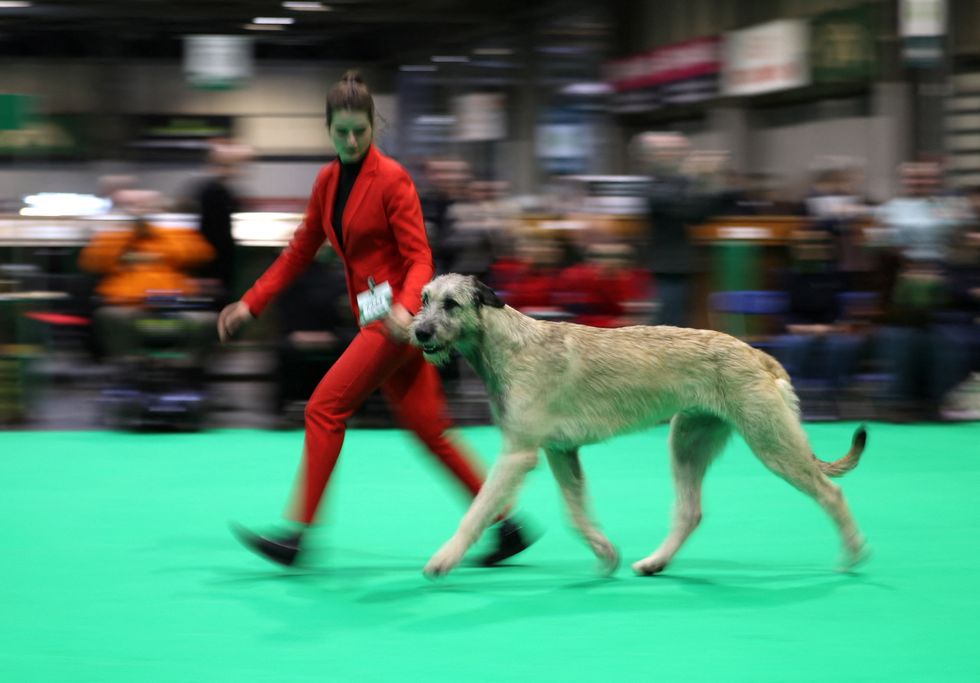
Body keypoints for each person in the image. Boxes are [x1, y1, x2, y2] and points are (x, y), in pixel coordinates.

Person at [221, 71, 533, 567]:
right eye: (341, 131)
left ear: (372, 127)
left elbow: (421, 258)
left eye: (359, 131)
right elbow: (300, 252)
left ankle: (297, 535)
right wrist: (251, 302)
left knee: (323, 408)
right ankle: (508, 525)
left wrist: (407, 310)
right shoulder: (326, 183)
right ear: (328, 129)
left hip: (396, 323)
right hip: (377, 319)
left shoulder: (393, 179)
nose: (350, 140)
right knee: (430, 430)